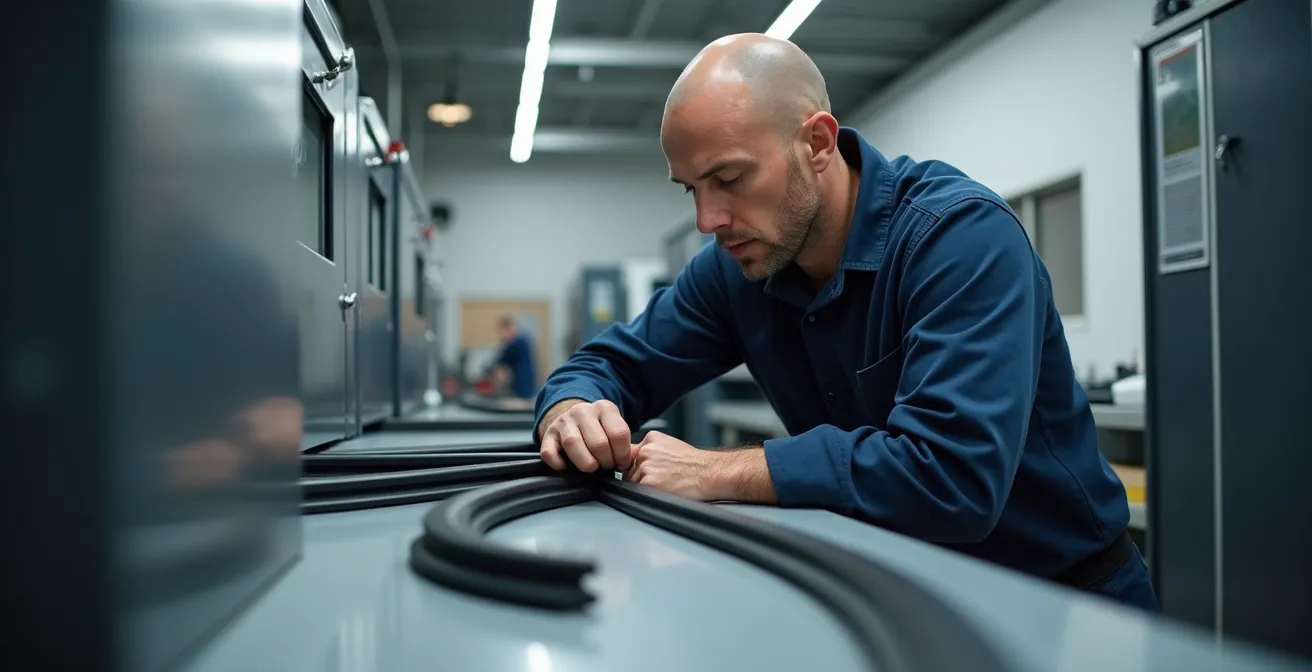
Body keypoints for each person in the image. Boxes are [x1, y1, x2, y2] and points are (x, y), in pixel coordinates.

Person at [533, 33, 1158, 611]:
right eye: (690, 189)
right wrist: (572, 406)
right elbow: (609, 364)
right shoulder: (735, 269)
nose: (707, 219)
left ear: (818, 143)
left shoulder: (960, 238)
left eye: (727, 178)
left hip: (1063, 601)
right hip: (902, 592)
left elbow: (952, 478)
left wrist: (718, 468)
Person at [492, 316, 539, 399]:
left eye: (502, 332)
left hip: (523, 385)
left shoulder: (518, 342)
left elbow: (503, 359)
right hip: (523, 383)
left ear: (508, 328)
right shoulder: (523, 339)